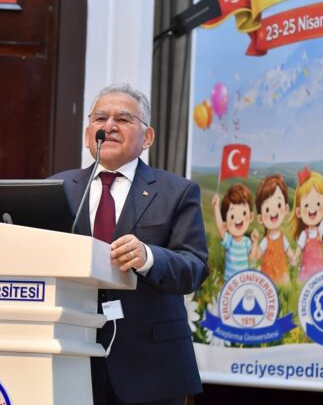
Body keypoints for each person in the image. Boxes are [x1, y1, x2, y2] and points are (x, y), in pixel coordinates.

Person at [50, 84, 209, 405]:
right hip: (70, 358)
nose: (108, 126)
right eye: (100, 118)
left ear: (147, 137)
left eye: (122, 119)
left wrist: (148, 257)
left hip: (150, 366)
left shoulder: (177, 191)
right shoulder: (57, 187)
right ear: (88, 133)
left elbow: (194, 267)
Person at [211, 183, 259, 281]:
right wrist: (216, 208)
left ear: (251, 217)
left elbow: (252, 257)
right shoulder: (229, 241)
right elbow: (220, 228)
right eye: (232, 216)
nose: (238, 218)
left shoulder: (246, 242)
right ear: (225, 224)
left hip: (243, 282)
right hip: (230, 283)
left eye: (244, 213)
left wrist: (255, 242)